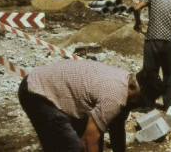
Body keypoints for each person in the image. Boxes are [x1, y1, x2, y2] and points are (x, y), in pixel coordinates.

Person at [18, 59, 159, 152]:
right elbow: (91, 137)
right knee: (71, 146)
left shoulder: (125, 81)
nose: (138, 105)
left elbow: (116, 127)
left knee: (89, 133)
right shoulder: (115, 97)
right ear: (133, 87)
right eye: (140, 100)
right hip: (37, 92)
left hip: (54, 90)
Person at [133, 0, 171, 110]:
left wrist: (138, 23)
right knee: (169, 73)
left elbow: (137, 8)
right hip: (170, 41)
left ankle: (149, 103)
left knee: (150, 72)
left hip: (153, 39)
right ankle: (167, 103)